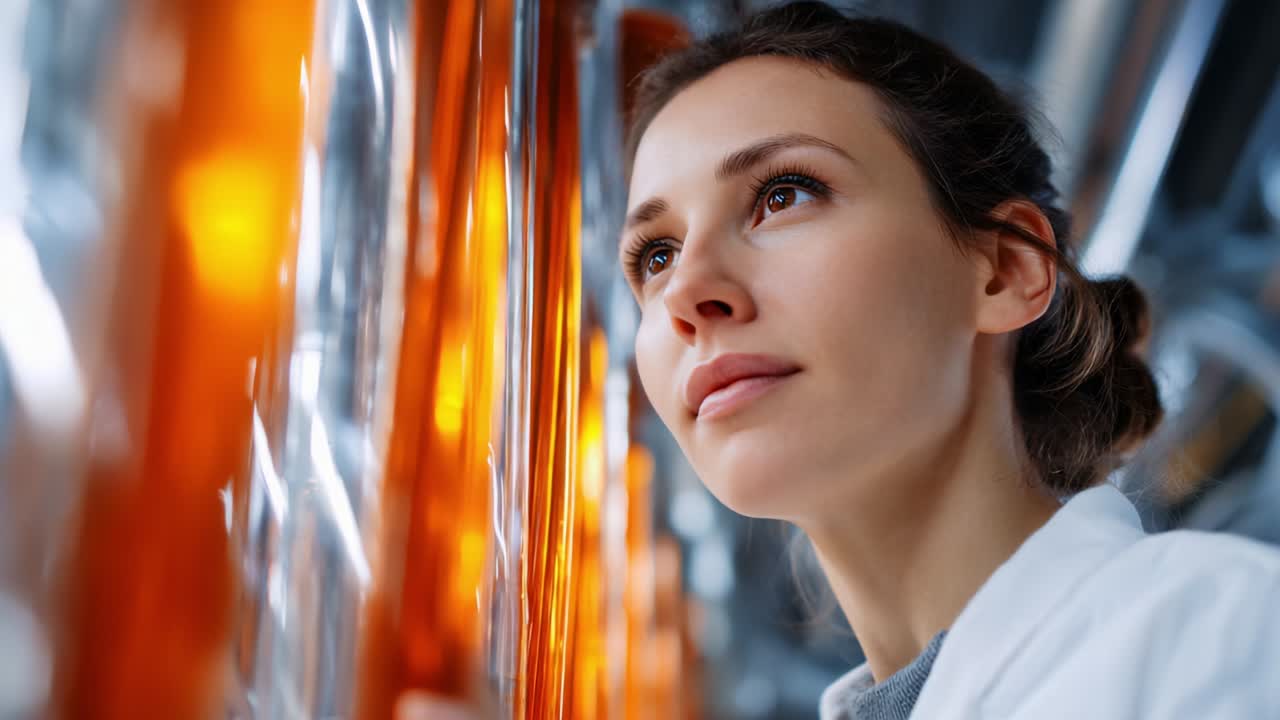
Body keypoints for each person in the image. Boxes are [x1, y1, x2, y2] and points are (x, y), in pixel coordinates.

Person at [404, 2, 1280, 718]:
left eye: (783, 194)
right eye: (655, 256)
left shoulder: (1220, 632)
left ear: (1009, 271)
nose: (685, 293)